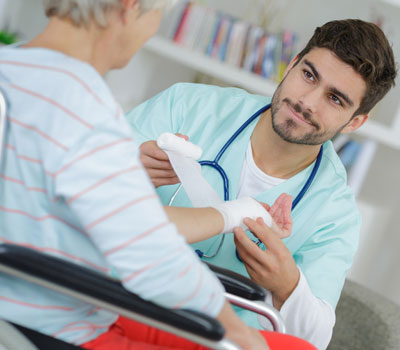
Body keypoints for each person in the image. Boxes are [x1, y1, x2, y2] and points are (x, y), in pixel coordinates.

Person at [0, 0, 318, 349]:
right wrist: (240, 335)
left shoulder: (10, 69)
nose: (151, 30)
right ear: (129, 6)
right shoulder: (85, 110)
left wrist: (238, 212)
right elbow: (151, 255)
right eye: (157, 17)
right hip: (59, 325)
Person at [126, 18, 398, 349]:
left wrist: (287, 286)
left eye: (335, 99)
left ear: (355, 122)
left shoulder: (335, 213)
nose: (307, 102)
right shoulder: (188, 107)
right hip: (119, 300)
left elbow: (315, 338)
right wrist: (126, 165)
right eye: (309, 75)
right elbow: (79, 187)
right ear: (293, 64)